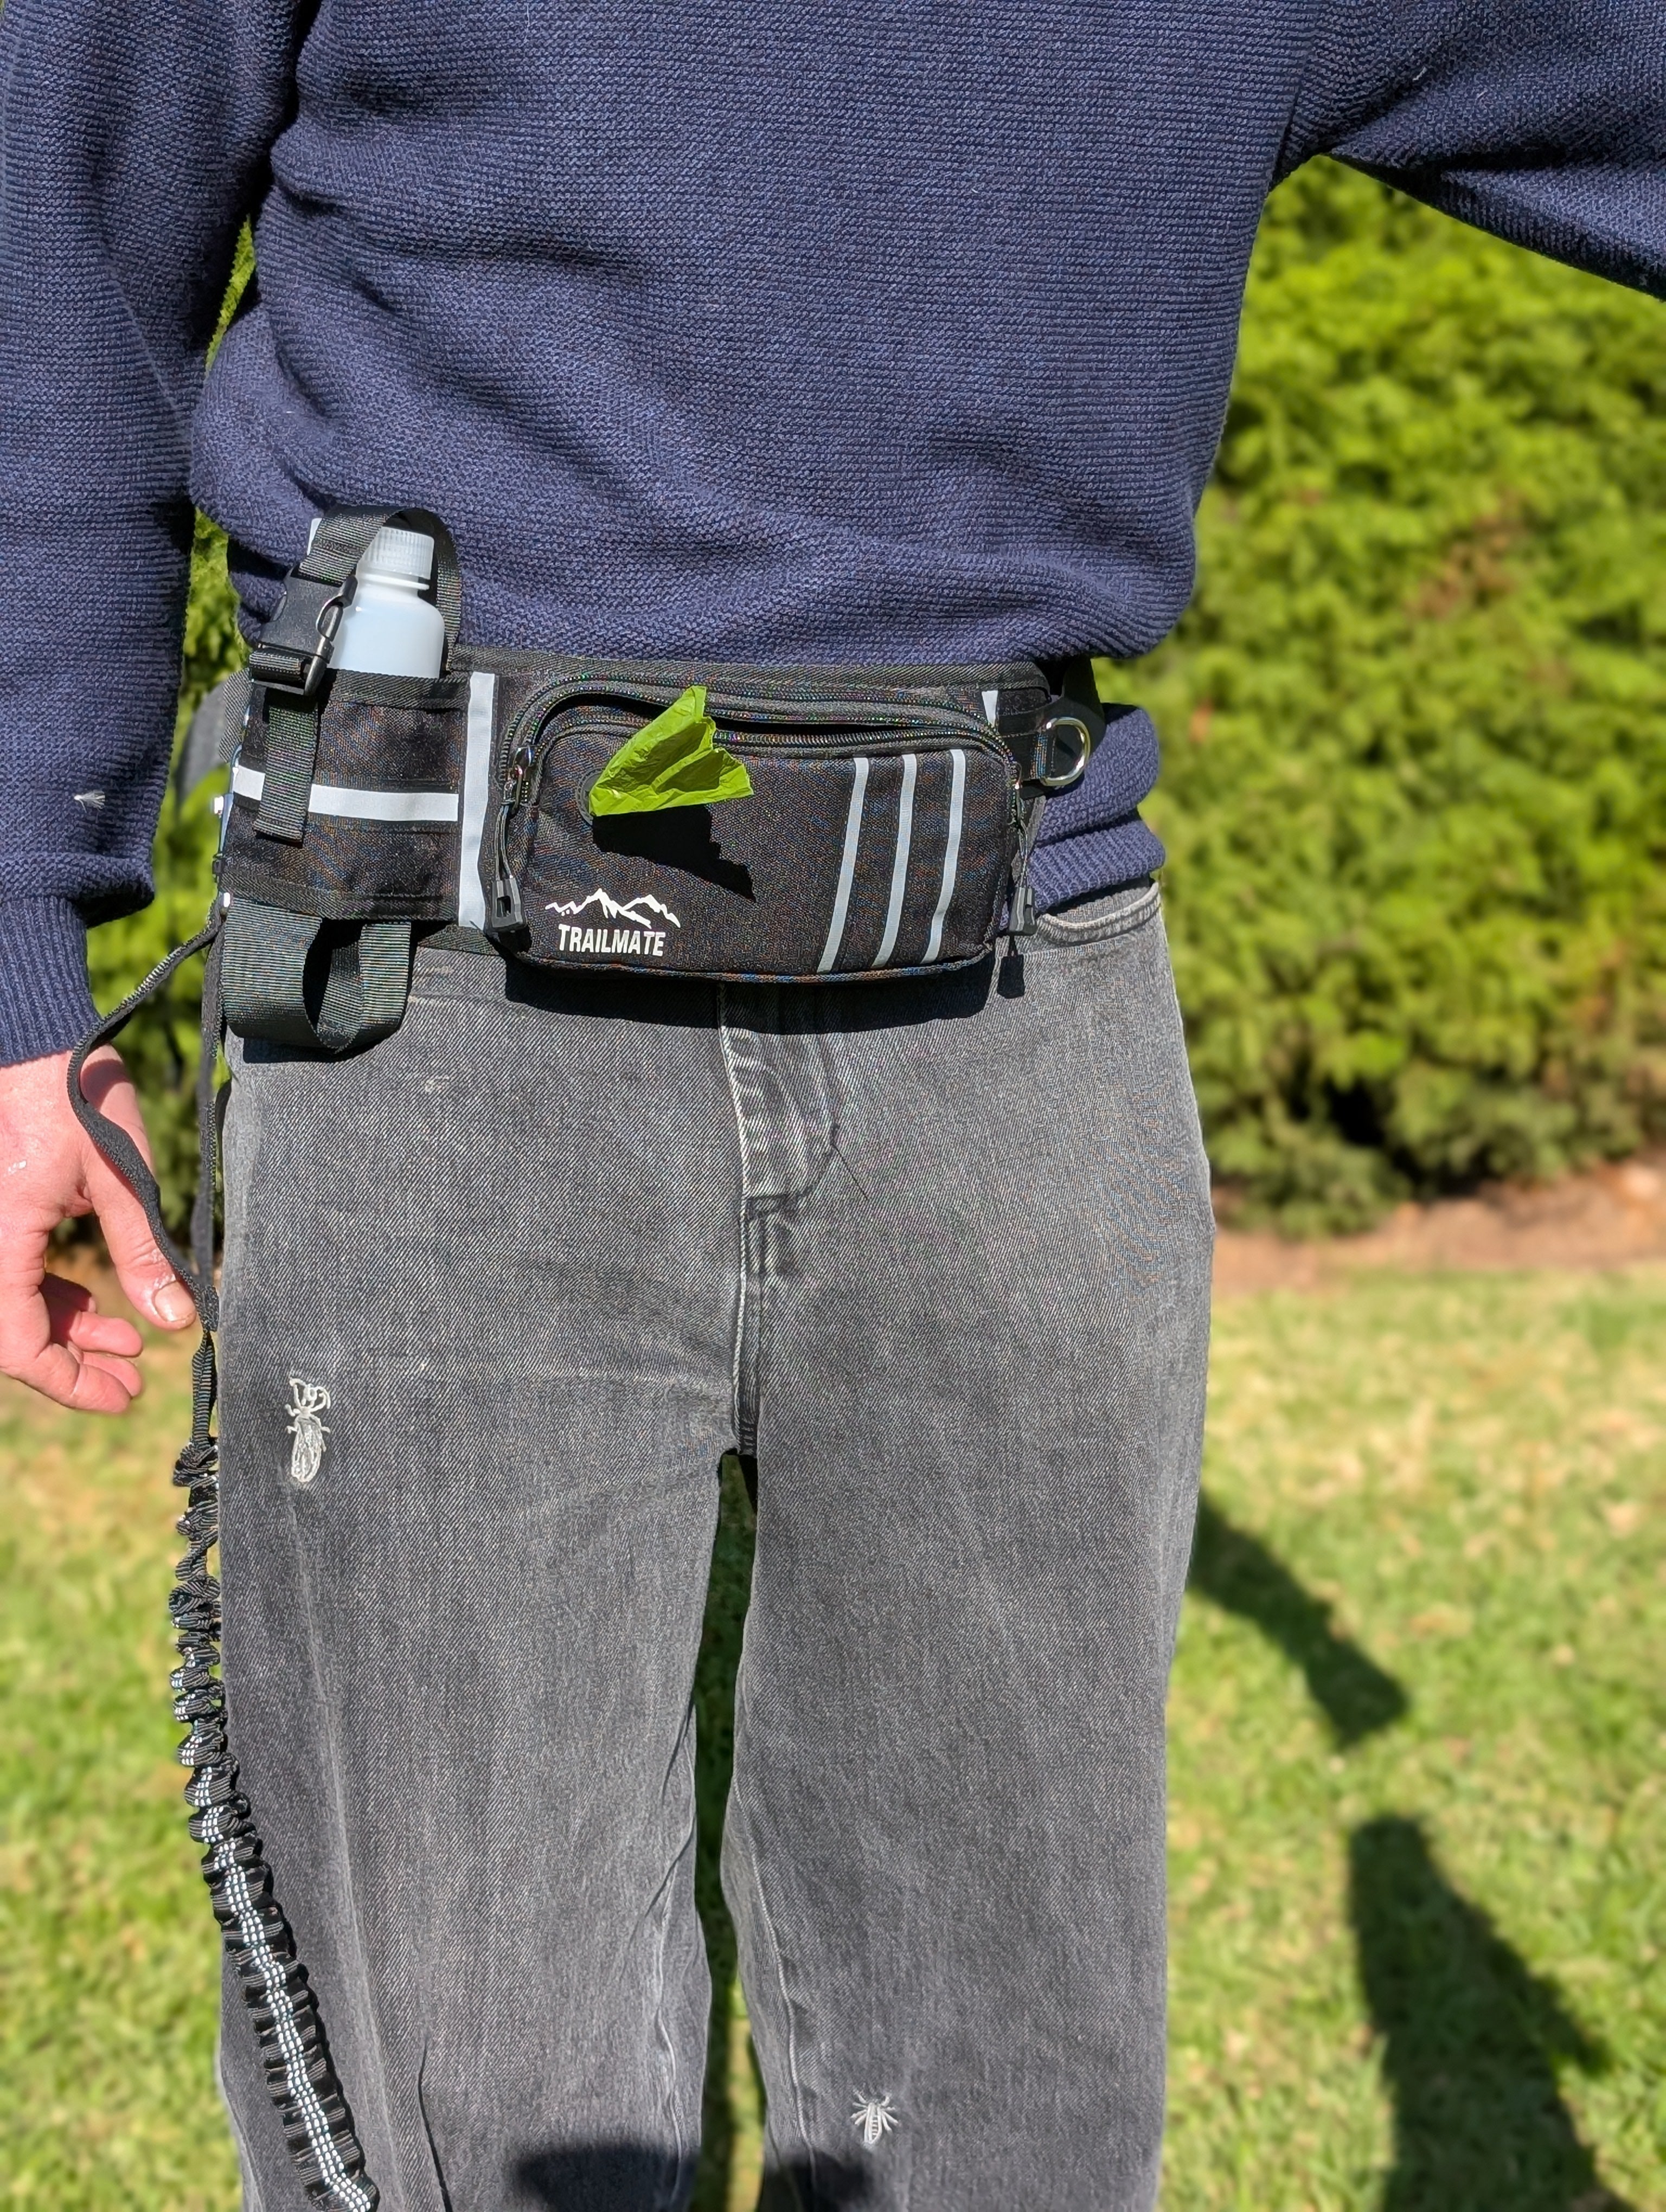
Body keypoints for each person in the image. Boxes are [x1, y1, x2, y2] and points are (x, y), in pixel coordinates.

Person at [0, 3, 1659, 2206]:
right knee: (461, 2117)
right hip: (440, 1008)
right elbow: (60, 240)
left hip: (1019, 1005)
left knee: (1008, 2117)